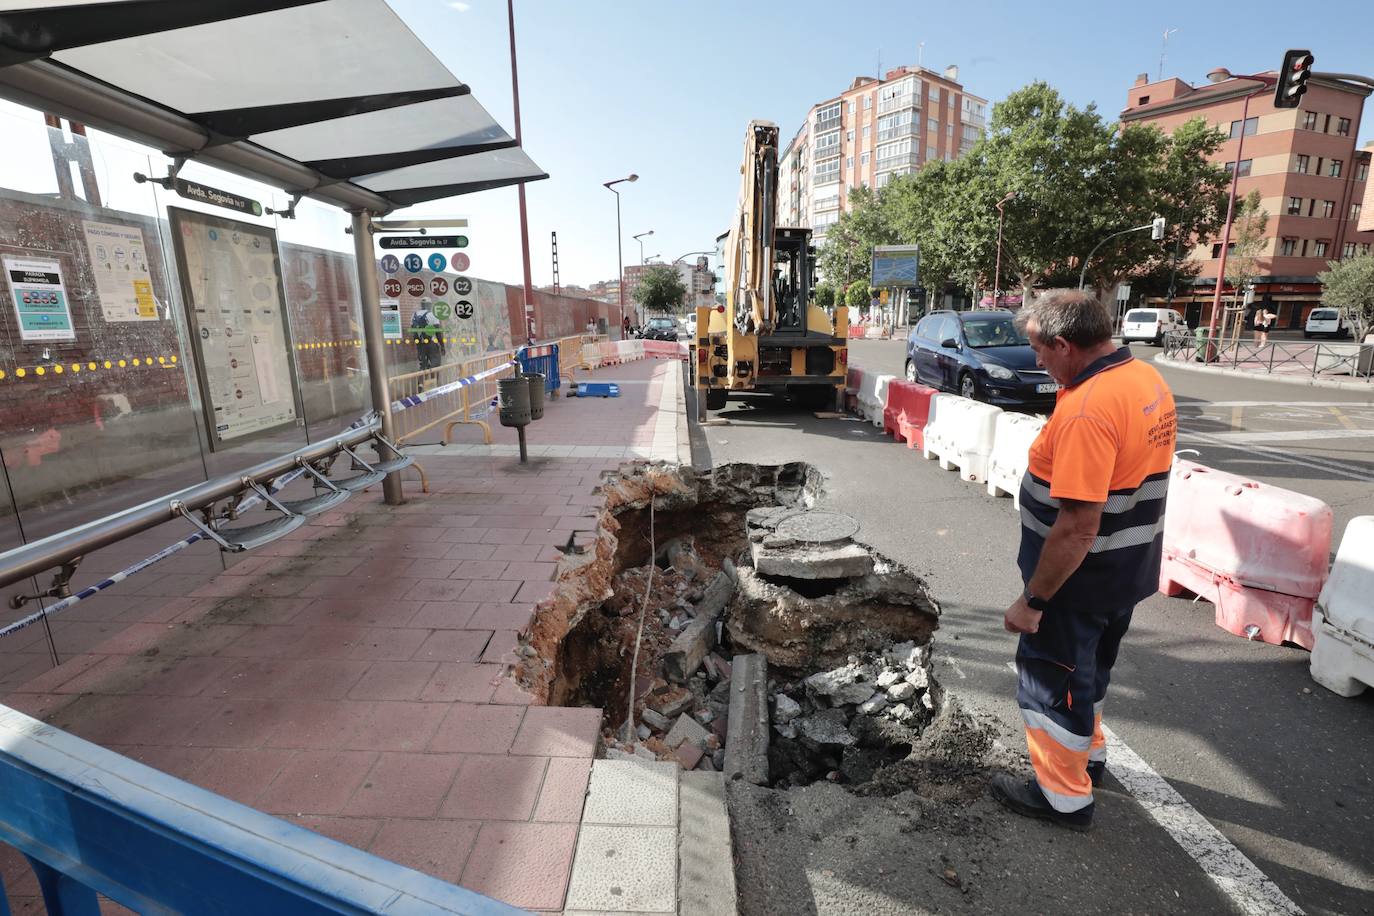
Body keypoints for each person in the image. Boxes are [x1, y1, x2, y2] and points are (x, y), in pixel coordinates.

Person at [991, 289, 1177, 832]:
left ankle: (1061, 796)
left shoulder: (1089, 410)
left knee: (1051, 683)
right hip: (1126, 568)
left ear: (1066, 344)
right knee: (1088, 674)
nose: (1039, 363)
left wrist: (1033, 600)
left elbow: (1077, 527)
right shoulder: (1142, 380)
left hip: (1078, 582)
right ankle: (1088, 758)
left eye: (1041, 352)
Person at [411, 298, 445, 372]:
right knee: (435, 365)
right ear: (429, 305)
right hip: (431, 344)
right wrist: (442, 346)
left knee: (422, 366)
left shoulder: (414, 315)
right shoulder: (432, 315)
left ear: (422, 305)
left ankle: (421, 383)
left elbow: (413, 331)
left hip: (420, 345)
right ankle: (435, 382)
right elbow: (438, 333)